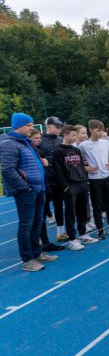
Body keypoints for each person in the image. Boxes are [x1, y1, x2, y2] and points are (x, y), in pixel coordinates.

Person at [0, 113, 58, 271]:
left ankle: (37, 253)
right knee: (26, 224)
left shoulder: (25, 142)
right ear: (18, 125)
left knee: (37, 222)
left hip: (38, 188)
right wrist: (25, 187)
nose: (32, 128)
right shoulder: (9, 143)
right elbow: (7, 170)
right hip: (27, 191)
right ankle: (27, 259)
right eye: (28, 125)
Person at [52, 125, 99, 250]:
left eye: (75, 135)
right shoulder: (58, 151)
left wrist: (85, 181)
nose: (74, 138)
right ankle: (72, 239)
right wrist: (65, 187)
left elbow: (81, 167)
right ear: (65, 135)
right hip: (70, 185)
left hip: (81, 183)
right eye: (72, 135)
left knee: (82, 210)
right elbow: (58, 171)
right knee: (70, 212)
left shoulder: (76, 150)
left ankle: (83, 233)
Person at [80, 120, 109, 239]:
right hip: (95, 179)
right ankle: (100, 229)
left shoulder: (105, 142)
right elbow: (78, 160)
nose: (100, 133)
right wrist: (86, 168)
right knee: (97, 205)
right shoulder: (84, 145)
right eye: (98, 131)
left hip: (108, 176)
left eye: (102, 131)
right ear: (91, 130)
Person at [41, 116, 68, 246]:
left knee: (59, 205)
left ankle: (61, 232)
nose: (59, 129)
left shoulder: (61, 140)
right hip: (45, 179)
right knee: (42, 208)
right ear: (49, 127)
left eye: (60, 126)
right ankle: (41, 237)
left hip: (59, 179)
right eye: (57, 126)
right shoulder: (38, 140)